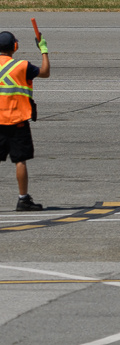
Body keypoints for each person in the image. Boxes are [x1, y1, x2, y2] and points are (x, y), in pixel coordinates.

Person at [0, 26, 50, 212]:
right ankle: (23, 199)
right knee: (20, 161)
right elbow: (45, 72)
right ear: (15, 46)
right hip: (17, 122)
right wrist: (43, 50)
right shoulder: (22, 66)